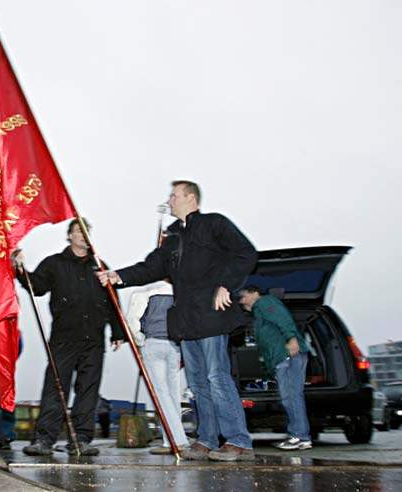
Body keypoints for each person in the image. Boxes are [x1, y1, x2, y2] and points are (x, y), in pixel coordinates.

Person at [97, 180, 258, 462]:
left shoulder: (214, 224)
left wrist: (225, 284)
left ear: (191, 198)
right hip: (185, 322)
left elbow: (246, 253)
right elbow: (150, 267)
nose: (169, 200)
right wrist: (117, 276)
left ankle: (237, 441)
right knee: (197, 384)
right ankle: (206, 440)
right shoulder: (172, 239)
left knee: (216, 377)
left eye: (174, 195)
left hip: (211, 314)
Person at [14, 218, 125, 457]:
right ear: (69, 236)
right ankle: (44, 439)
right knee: (56, 387)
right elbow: (37, 286)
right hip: (64, 337)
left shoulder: (100, 266)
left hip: (94, 338)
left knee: (89, 390)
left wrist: (118, 332)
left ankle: (81, 440)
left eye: (87, 230)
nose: (83, 235)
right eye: (78, 231)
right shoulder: (54, 263)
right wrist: (20, 270)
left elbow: (113, 302)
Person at [238, 285, 312, 450]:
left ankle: (299, 436)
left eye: (243, 297)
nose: (241, 301)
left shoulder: (264, 302)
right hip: (282, 358)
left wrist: (291, 338)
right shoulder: (258, 314)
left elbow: (283, 318)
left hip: (288, 355)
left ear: (254, 293)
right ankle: (299, 435)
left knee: (291, 397)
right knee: (291, 397)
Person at [124, 280, 190, 455]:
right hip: (175, 346)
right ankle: (171, 441)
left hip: (153, 344)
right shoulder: (182, 290)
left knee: (160, 395)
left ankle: (177, 441)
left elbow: (131, 321)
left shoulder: (146, 291)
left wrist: (140, 341)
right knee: (173, 394)